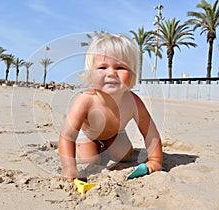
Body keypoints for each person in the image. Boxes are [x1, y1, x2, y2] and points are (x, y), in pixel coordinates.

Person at [59, 32, 163, 182]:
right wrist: (69, 168)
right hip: (89, 135)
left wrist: (155, 159)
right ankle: (91, 146)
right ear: (91, 74)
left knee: (125, 156)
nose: (111, 73)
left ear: (133, 73)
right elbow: (67, 136)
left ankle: (107, 146)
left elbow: (150, 132)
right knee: (91, 160)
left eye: (120, 67)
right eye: (102, 67)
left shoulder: (133, 101)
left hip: (114, 133)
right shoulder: (85, 100)